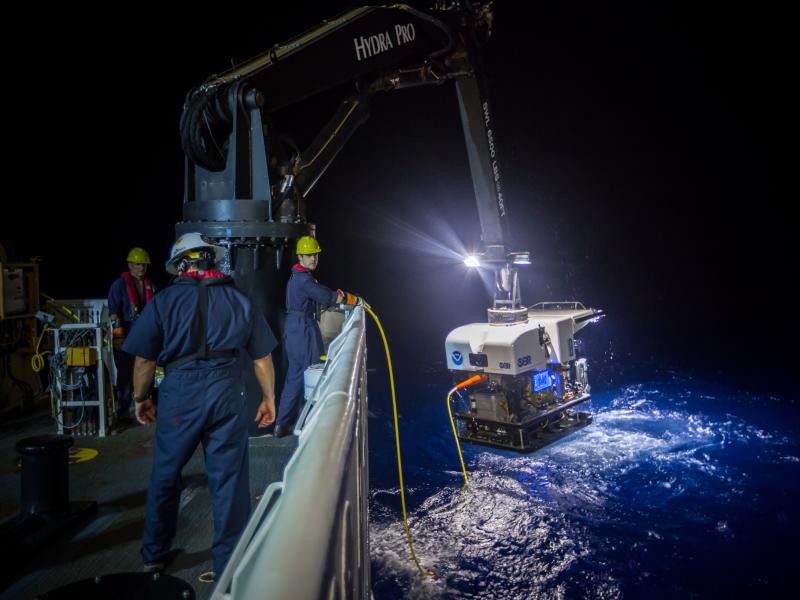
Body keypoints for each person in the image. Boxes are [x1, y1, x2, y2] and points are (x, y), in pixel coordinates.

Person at [122, 232, 278, 580]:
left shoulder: (163, 301)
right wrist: (269, 399)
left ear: (181, 264)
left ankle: (155, 555)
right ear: (210, 260)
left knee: (165, 474)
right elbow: (262, 358)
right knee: (229, 481)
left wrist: (140, 398)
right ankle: (229, 563)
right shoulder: (240, 299)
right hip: (226, 393)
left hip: (180, 396)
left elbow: (144, 362)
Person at [274, 235, 357, 437]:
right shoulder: (303, 280)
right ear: (300, 256)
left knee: (297, 374)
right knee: (312, 372)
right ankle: (303, 423)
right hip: (303, 328)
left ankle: (285, 423)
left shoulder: (298, 276)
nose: (314, 259)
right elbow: (326, 296)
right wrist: (349, 298)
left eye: (316, 255)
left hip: (297, 326)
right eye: (309, 255)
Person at [108, 247, 157, 422]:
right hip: (126, 336)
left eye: (144, 264)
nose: (142, 268)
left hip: (144, 335)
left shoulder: (150, 285)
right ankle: (122, 408)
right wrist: (118, 338)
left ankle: (143, 404)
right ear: (130, 265)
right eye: (138, 264)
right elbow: (114, 314)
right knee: (125, 374)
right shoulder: (119, 285)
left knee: (145, 372)